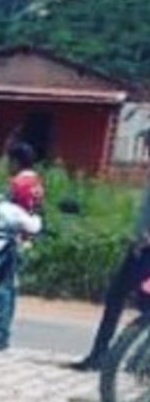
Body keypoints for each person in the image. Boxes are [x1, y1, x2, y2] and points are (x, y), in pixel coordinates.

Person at [70, 132, 150, 371]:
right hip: (139, 249)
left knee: (144, 306)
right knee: (117, 298)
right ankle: (101, 355)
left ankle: (137, 361)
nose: (146, 153)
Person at [0, 142, 45, 350]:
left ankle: (0, 334)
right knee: (8, 286)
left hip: (9, 240)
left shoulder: (18, 183)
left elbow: (4, 211)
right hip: (25, 239)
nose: (7, 164)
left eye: (9, 160)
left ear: (16, 161)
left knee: (3, 287)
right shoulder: (35, 182)